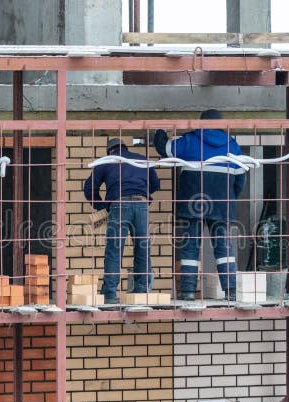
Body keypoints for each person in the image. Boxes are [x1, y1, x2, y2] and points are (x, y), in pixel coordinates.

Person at [154, 109, 246, 301]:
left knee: (189, 247)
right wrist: (229, 197)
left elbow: (166, 149)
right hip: (222, 202)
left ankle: (187, 292)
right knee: (224, 247)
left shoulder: (190, 140)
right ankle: (231, 291)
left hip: (192, 202)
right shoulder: (232, 145)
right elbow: (241, 178)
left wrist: (159, 132)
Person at [84, 138, 160, 304]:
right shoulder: (142, 159)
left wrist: (101, 206)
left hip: (119, 205)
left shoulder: (107, 161)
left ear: (110, 151)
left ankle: (110, 294)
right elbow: (155, 184)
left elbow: (89, 188)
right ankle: (142, 292)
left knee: (114, 250)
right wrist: (141, 189)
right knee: (143, 248)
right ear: (125, 147)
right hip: (141, 204)